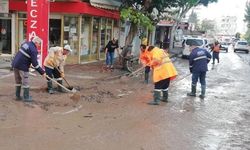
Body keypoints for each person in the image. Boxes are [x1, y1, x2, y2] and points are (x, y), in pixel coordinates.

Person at [12, 36, 46, 102]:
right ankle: (26, 97)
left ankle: (17, 96)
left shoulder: (26, 44)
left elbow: (24, 55)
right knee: (25, 82)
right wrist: (42, 72)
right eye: (39, 44)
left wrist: (29, 62)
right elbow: (35, 64)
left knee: (18, 80)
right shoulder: (34, 50)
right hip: (22, 66)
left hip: (15, 64)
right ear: (36, 42)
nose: (39, 45)